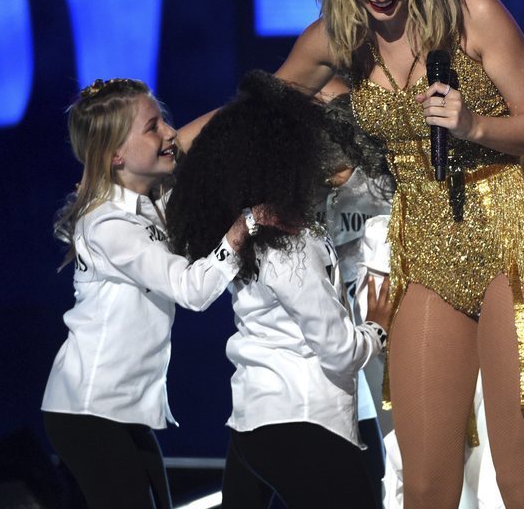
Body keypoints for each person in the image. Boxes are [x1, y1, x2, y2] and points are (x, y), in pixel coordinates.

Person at [186, 0, 524, 508]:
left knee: (520, 477)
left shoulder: (473, 14)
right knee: (421, 482)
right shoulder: (336, 39)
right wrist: (166, 155)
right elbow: (257, 111)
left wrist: (475, 126)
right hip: (420, 246)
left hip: (513, 244)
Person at [165, 71, 393, 508]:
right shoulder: (291, 244)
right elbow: (340, 352)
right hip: (306, 422)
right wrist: (377, 328)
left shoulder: (253, 237)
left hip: (254, 424)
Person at [41, 78, 254, 509]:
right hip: (88, 410)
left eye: (164, 122)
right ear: (116, 155)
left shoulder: (154, 201)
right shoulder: (108, 226)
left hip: (121, 409)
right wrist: (247, 225)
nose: (168, 133)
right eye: (153, 127)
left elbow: (194, 137)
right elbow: (191, 290)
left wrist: (261, 98)